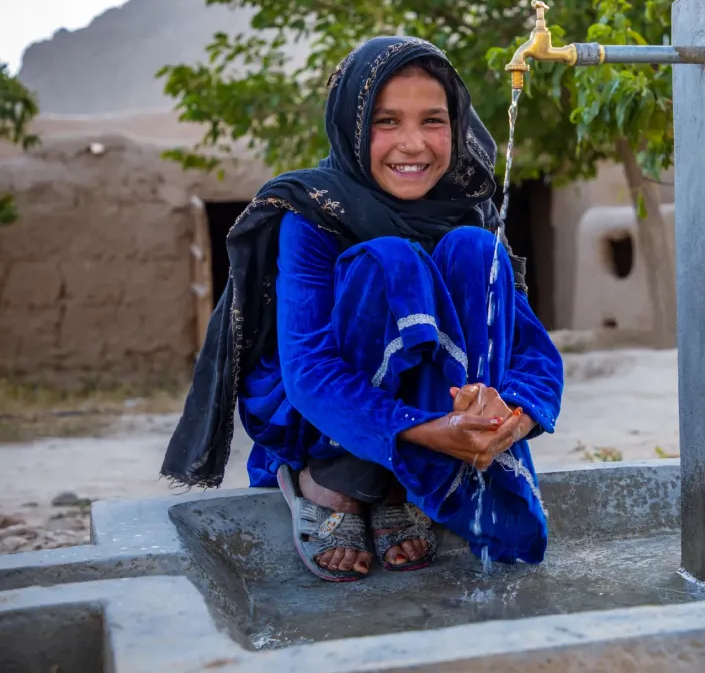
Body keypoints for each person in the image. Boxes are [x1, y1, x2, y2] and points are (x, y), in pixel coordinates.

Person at [161, 36, 564, 582]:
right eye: (386, 121)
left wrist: (505, 420)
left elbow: (533, 354)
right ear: (350, 125)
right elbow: (310, 371)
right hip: (315, 411)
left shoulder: (472, 212)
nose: (413, 144)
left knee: (474, 251)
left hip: (441, 417)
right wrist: (428, 430)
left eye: (433, 121)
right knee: (389, 261)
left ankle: (411, 480)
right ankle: (333, 480)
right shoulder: (312, 212)